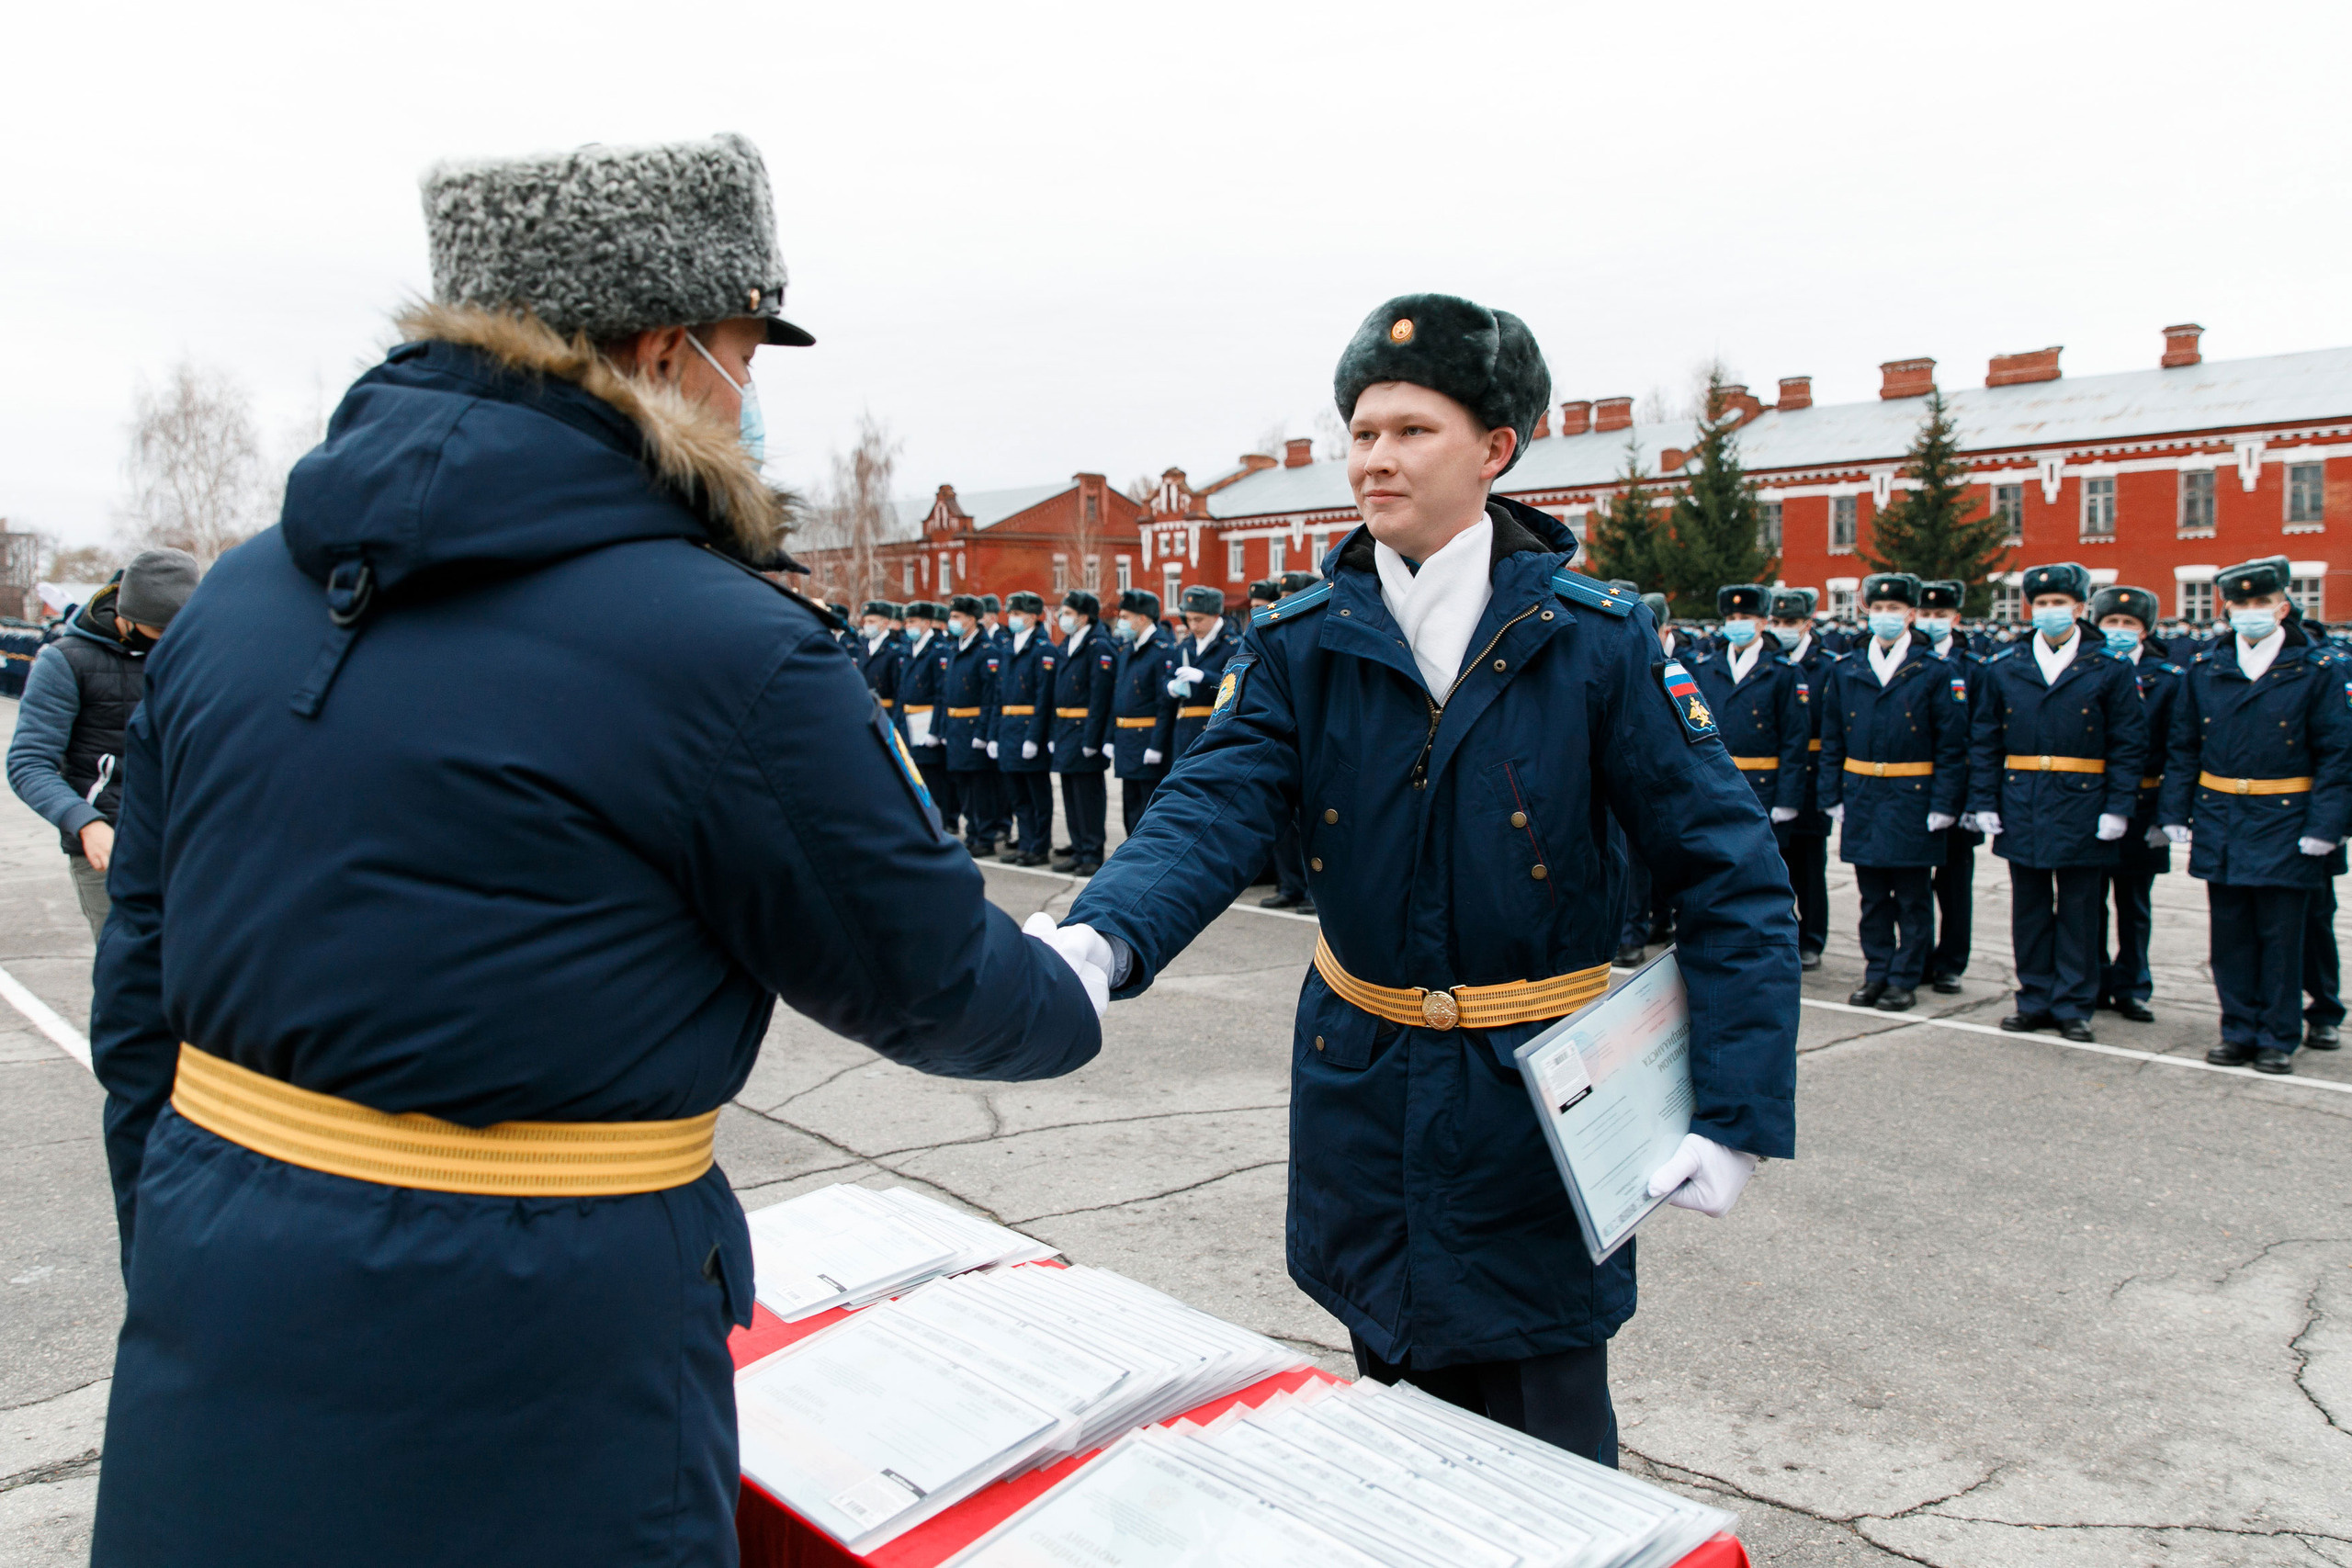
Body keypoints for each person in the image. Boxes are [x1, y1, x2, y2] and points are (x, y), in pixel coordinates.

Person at [83, 134, 1106, 1568]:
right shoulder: (724, 645)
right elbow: (932, 981)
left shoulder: (242, 595)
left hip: (217, 1291)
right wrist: (1075, 980)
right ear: (663, 345)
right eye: (748, 349)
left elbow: (140, 985)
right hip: (543, 1352)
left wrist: (193, 1246)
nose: (751, 396)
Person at [1036, 292, 1795, 1465]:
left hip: (1534, 1106)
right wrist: (1103, 938)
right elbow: (1212, 803)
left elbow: (1732, 872)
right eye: (1361, 431)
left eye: (1409, 431)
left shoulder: (1595, 639)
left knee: (1549, 1454)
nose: (1372, 459)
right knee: (1396, 1442)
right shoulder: (1303, 639)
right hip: (1368, 1087)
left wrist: (1737, 1113)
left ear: (1495, 450)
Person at [2159, 557, 2352, 1075]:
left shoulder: (2316, 669)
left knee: (2281, 936)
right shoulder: (2207, 668)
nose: (2249, 612)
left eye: (2260, 603)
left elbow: (2338, 755)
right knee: (2231, 934)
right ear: (2226, 611)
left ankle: (2278, 1036)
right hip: (2221, 813)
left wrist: (2326, 826)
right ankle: (2238, 1030)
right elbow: (2183, 746)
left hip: (2287, 817)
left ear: (2283, 608)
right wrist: (2175, 810)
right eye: (2240, 604)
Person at [1967, 564, 2147, 1042]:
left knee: (2079, 910)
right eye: (2042, 603)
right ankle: (2034, 997)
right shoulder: (2006, 665)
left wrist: (2118, 808)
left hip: (2082, 803)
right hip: (2021, 798)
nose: (2050, 611)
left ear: (2081, 608)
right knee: (2028, 908)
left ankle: (2073, 1003)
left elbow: (2128, 744)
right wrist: (1985, 800)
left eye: (2060, 603)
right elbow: (1985, 739)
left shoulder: (2108, 666)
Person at [6, 549, 200, 942]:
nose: (171, 641)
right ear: (127, 615)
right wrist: (84, 822)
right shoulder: (65, 662)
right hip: (109, 848)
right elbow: (29, 762)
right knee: (130, 983)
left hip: (191, 845)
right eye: (161, 631)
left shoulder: (196, 653)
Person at [1817, 572, 1969, 1011]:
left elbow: (1952, 744)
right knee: (1872, 898)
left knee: (1912, 897)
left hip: (1912, 796)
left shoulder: (1936, 670)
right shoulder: (1847, 668)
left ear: (1911, 614)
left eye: (1895, 609)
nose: (1886, 617)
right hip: (1863, 792)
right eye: (1878, 609)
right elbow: (1832, 739)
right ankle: (1877, 972)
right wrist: (1833, 794)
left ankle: (1905, 977)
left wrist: (1944, 803)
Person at [2088, 585, 2182, 1023]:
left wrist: (2168, 815)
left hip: (2145, 800)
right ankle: (2093, 978)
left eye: (2130, 625)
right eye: (2111, 623)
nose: (2120, 631)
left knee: (2134, 903)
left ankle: (2132, 985)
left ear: (2146, 631)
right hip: (2091, 799)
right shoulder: (2089, 669)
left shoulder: (2167, 679)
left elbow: (2178, 747)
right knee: (2088, 900)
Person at [1690, 584, 1808, 863]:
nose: (1736, 625)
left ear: (1762, 623)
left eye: (1744, 618)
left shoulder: (1783, 672)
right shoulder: (1705, 667)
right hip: (1716, 787)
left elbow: (1795, 740)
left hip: (1763, 788)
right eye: (1731, 619)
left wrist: (1787, 800)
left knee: (1765, 869)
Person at [1915, 581, 1985, 994]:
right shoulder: (1913, 660)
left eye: (1940, 614)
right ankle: (1919, 956)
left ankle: (1951, 962)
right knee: (1914, 884)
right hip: (1914, 791)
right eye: (1924, 613)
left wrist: (1975, 800)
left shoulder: (1975, 666)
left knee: (1955, 885)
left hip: (1958, 791)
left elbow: (1980, 737)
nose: (1931, 621)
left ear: (1956, 618)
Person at [1764, 589, 1835, 969]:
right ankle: (1783, 934)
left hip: (1810, 775)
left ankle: (1812, 938)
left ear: (1808, 623)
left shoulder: (1826, 665)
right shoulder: (1770, 660)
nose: (1782, 629)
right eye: (1777, 622)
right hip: (1771, 774)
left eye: (1790, 623)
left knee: (1809, 867)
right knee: (1777, 865)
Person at [1049, 590, 1114, 874]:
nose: (1063, 618)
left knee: (1087, 794)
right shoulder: (1069, 642)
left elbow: (1101, 697)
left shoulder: (1098, 645)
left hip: (1085, 728)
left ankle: (1092, 852)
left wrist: (1093, 739)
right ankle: (1078, 848)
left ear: (1084, 617)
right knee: (1070, 793)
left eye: (1067, 613)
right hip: (1065, 728)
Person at [934, 593, 1003, 855]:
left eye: (956, 617)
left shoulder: (986, 651)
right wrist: (941, 728)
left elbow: (991, 696)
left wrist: (984, 732)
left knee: (980, 787)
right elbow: (944, 694)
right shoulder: (955, 648)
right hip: (955, 728)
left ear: (972, 620)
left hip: (974, 727)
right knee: (962, 784)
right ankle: (972, 832)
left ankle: (983, 836)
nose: (951, 622)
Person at [992, 591, 1057, 865]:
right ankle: (1026, 844)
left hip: (1031, 729)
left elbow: (1044, 698)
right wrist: (993, 735)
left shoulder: (1043, 649)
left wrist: (1034, 738)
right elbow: (997, 695)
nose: (1012, 618)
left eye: (1017, 614)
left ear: (1032, 616)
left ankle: (1039, 847)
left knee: (1036, 794)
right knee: (1017, 795)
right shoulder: (1008, 647)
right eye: (1011, 613)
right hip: (1008, 728)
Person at [1108, 589, 1177, 835]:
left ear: (1143, 618)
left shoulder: (1162, 650)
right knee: (1130, 808)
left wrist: (1157, 745)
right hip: (1127, 741)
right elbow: (1118, 697)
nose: (1121, 622)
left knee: (1150, 810)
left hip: (1147, 739)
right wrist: (1110, 738)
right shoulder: (1127, 649)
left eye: (1126, 616)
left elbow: (1164, 703)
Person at [1164, 585, 1239, 763]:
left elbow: (1238, 687)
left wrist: (1204, 677)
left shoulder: (1232, 646)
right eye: (1189, 620)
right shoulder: (1186, 645)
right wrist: (1171, 687)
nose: (1193, 625)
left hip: (1214, 730)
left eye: (1198, 619)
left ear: (1215, 615)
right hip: (1183, 731)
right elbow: (1166, 677)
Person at [897, 601, 946, 766]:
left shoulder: (938, 650)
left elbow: (941, 693)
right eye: (906, 622)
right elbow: (902, 691)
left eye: (912, 621)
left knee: (929, 774)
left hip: (926, 721)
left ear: (926, 623)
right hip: (908, 722)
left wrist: (935, 731)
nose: (908, 626)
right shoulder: (908, 648)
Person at [853, 599, 900, 713]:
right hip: (864, 708)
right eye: (866, 621)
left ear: (884, 623)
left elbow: (899, 691)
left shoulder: (894, 650)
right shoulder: (863, 647)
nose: (866, 625)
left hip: (886, 711)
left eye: (871, 621)